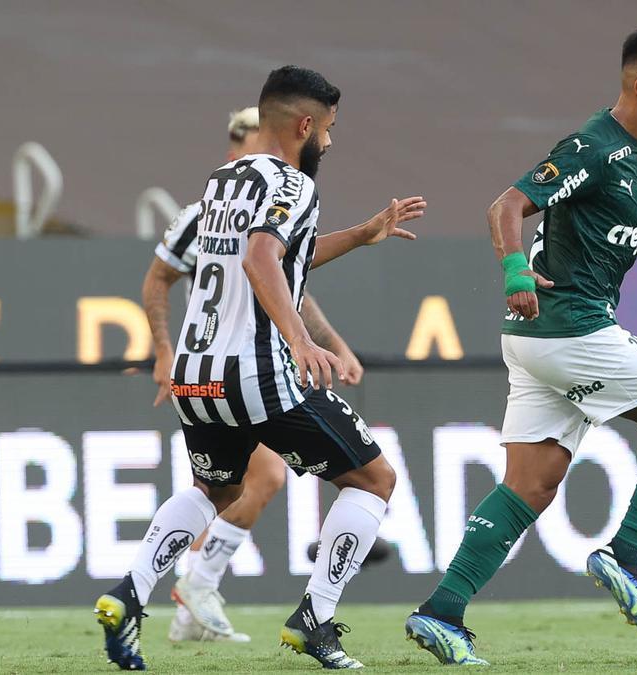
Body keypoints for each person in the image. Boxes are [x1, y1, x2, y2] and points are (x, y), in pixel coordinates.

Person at [405, 23, 637, 665]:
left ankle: (443, 611)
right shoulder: (592, 146)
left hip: (537, 343)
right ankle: (626, 555)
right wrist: (515, 271)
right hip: (567, 326)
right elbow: (507, 206)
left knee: (531, 485)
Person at [95, 64, 425, 670]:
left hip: (195, 374)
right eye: (328, 128)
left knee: (216, 487)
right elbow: (260, 258)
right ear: (305, 124)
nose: (330, 141)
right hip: (255, 372)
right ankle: (315, 620)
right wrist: (300, 340)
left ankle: (128, 596)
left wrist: (361, 234)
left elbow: (282, 255)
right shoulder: (294, 184)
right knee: (373, 481)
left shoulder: (219, 184)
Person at [143, 105, 385, 644]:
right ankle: (196, 584)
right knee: (249, 482)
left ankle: (179, 599)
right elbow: (159, 279)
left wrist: (334, 344)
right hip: (229, 368)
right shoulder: (206, 209)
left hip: (258, 366)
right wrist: (163, 350)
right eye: (241, 139)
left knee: (234, 485)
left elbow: (291, 280)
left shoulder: (271, 203)